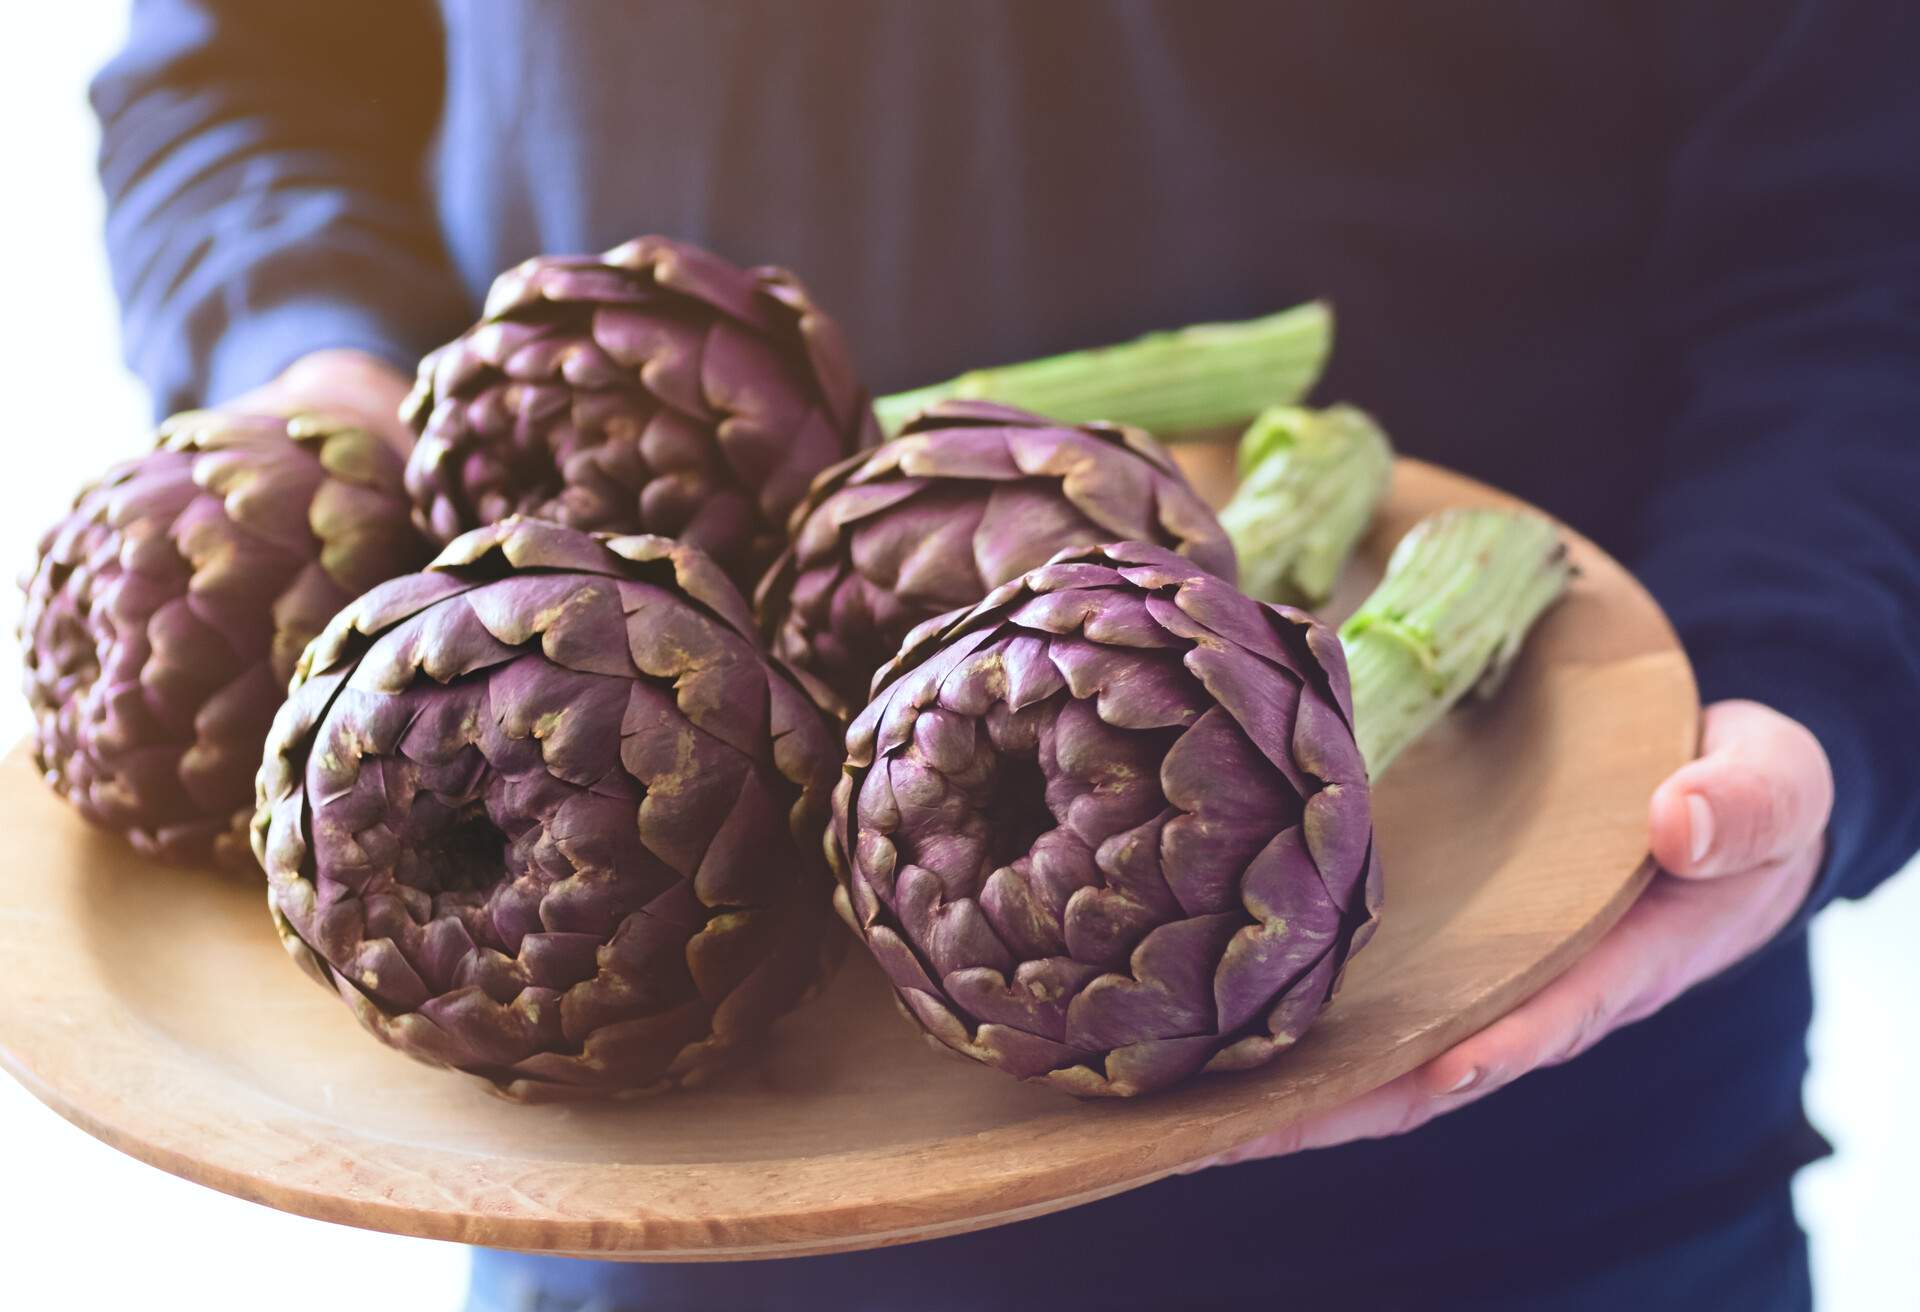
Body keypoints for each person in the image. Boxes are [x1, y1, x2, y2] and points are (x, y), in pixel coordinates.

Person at [89, 3, 1918, 1308]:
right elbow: (243, 63)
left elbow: (1866, 232)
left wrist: (1813, 664)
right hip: (653, 1201)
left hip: (1538, 1171)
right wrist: (313, 405)